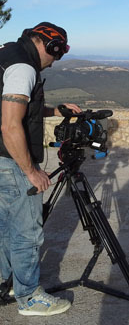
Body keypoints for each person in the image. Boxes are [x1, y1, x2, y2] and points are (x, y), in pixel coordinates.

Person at [0, 22, 81, 316]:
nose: (55, 61)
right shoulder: (23, 67)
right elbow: (9, 124)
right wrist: (31, 171)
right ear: (51, 46)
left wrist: (55, 111)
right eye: (57, 54)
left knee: (5, 227)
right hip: (9, 160)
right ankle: (29, 297)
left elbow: (18, 108)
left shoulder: (7, 53)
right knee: (26, 232)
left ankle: (10, 281)